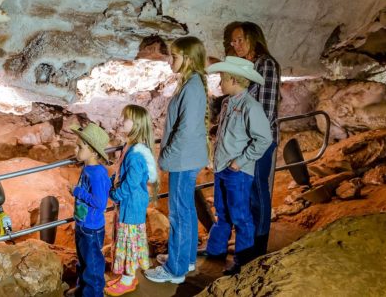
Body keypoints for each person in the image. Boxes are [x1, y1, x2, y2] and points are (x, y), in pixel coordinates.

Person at [145, 36, 210, 284]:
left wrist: (167, 157)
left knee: (179, 214)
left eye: (174, 56)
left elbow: (185, 129)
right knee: (187, 211)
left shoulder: (192, 87)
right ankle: (185, 257)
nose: (170, 60)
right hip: (187, 157)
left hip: (182, 159)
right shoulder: (191, 83)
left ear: (189, 58)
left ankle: (175, 269)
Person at [203, 56, 272, 275]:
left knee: (241, 216)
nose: (219, 83)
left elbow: (264, 139)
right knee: (222, 213)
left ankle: (243, 259)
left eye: (222, 79)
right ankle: (216, 250)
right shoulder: (227, 103)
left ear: (234, 80)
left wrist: (240, 161)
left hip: (238, 171)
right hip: (223, 167)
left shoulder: (251, 107)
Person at [225, 21, 282, 257]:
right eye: (233, 41)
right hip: (244, 144)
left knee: (257, 194)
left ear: (253, 39)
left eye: (240, 40)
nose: (235, 45)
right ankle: (246, 248)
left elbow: (266, 112)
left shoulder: (265, 66)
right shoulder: (246, 68)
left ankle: (256, 251)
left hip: (258, 144)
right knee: (245, 196)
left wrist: (250, 146)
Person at [104, 105, 158, 295]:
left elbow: (131, 184)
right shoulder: (131, 147)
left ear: (136, 124)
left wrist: (115, 195)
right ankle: (127, 276)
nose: (122, 121)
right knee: (125, 238)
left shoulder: (135, 155)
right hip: (129, 204)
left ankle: (128, 280)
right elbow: (122, 173)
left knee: (129, 241)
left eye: (126, 118)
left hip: (131, 204)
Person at [67, 122, 112, 297]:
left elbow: (100, 203)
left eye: (79, 146)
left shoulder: (97, 174)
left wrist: (77, 192)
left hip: (91, 228)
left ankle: (93, 293)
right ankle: (83, 289)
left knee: (93, 265)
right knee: (83, 261)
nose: (75, 149)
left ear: (93, 151)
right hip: (83, 224)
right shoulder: (88, 168)